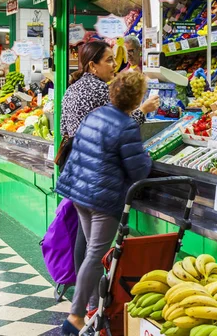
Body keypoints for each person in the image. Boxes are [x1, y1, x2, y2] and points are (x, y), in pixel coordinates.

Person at [56, 72, 152, 336]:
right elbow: (138, 171)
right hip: (101, 198)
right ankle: (75, 318)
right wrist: (148, 157)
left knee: (92, 253)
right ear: (137, 98)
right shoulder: (127, 125)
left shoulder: (95, 114)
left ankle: (93, 307)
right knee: (95, 256)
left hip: (79, 192)